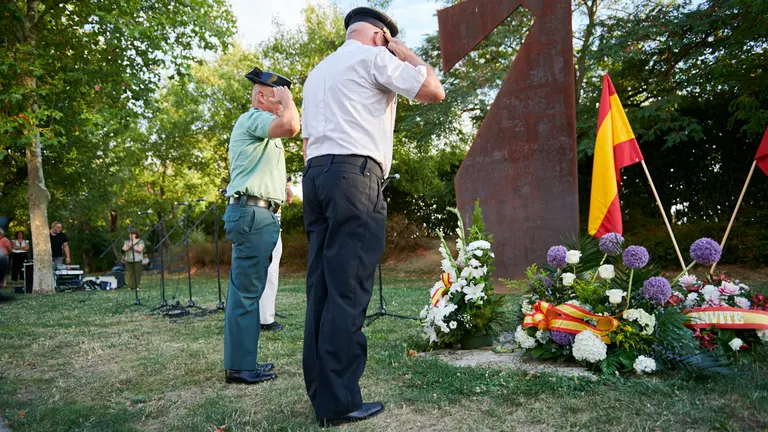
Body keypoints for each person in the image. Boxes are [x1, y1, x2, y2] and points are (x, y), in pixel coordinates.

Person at [300, 7, 445, 427]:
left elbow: (308, 140)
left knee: (322, 286)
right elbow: (434, 89)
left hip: (316, 176)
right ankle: (341, 402)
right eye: (389, 39)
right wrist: (406, 53)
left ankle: (323, 395)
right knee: (349, 286)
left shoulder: (318, 71)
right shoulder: (375, 57)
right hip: (354, 176)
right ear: (381, 35)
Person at [222, 66, 299, 385]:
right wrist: (290, 101)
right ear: (265, 97)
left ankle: (244, 361)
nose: (282, 104)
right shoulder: (254, 117)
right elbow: (292, 126)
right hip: (253, 215)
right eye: (278, 98)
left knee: (248, 291)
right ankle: (240, 367)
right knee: (246, 292)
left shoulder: (260, 126)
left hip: (258, 214)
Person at [260, 181, 294, 332]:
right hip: (267, 224)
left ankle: (258, 314)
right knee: (270, 272)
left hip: (255, 219)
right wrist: (284, 188)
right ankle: (265, 318)